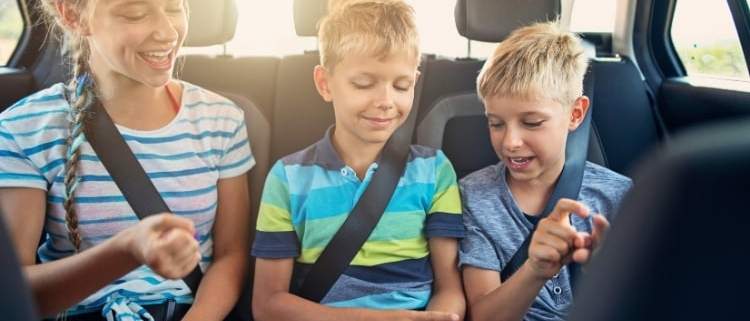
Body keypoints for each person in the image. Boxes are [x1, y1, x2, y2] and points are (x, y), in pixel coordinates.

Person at [0, 0, 254, 320]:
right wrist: (127, 250)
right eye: (135, 13)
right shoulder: (25, 128)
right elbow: (12, 290)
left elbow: (231, 256)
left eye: (175, 8)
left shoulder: (221, 119)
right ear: (74, 15)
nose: (167, 31)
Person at [250, 1, 465, 321]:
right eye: (364, 84)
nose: (386, 102)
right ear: (325, 83)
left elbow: (449, 289)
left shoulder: (434, 171)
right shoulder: (288, 179)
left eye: (401, 85)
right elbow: (268, 305)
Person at [458, 21, 633, 321]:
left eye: (532, 123)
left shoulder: (619, 195)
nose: (510, 142)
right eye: (496, 123)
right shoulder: (474, 198)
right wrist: (535, 270)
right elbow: (483, 316)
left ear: (575, 114)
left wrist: (609, 273)